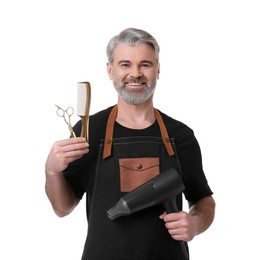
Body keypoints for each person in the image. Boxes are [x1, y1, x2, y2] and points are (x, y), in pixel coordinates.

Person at [45, 27, 216, 260]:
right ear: (110, 70)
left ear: (158, 70)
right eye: (125, 64)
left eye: (145, 64)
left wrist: (195, 223)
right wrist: (52, 170)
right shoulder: (88, 132)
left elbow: (203, 200)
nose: (135, 74)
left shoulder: (181, 136)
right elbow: (62, 208)